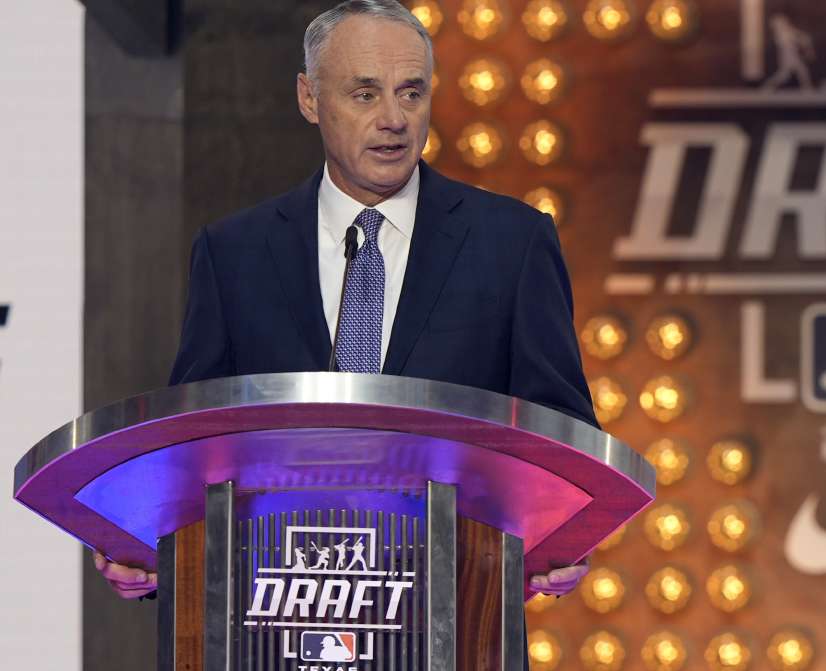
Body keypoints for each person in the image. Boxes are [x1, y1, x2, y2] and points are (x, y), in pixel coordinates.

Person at [93, 0, 593, 609]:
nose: (394, 119)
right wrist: (149, 550)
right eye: (365, 94)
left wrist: (563, 539)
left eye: (411, 93)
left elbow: (562, 436)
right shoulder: (234, 253)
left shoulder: (513, 243)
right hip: (276, 620)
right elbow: (196, 442)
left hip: (458, 615)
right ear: (309, 98)